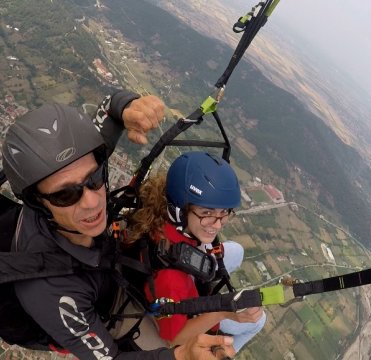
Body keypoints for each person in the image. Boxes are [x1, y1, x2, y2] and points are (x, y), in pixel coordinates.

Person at [1, 92, 235, 360]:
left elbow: (111, 109)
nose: (91, 201)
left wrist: (128, 106)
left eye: (96, 177)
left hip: (106, 270)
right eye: (65, 195)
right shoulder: (53, 292)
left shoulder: (77, 162)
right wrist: (181, 356)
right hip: (96, 311)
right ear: (38, 203)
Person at [126, 151, 267, 354]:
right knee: (259, 321)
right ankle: (221, 352)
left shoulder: (164, 217)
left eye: (223, 213)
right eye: (207, 213)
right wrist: (223, 312)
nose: (217, 225)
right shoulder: (171, 280)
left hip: (184, 264)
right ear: (180, 211)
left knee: (236, 251)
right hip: (184, 302)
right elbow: (173, 338)